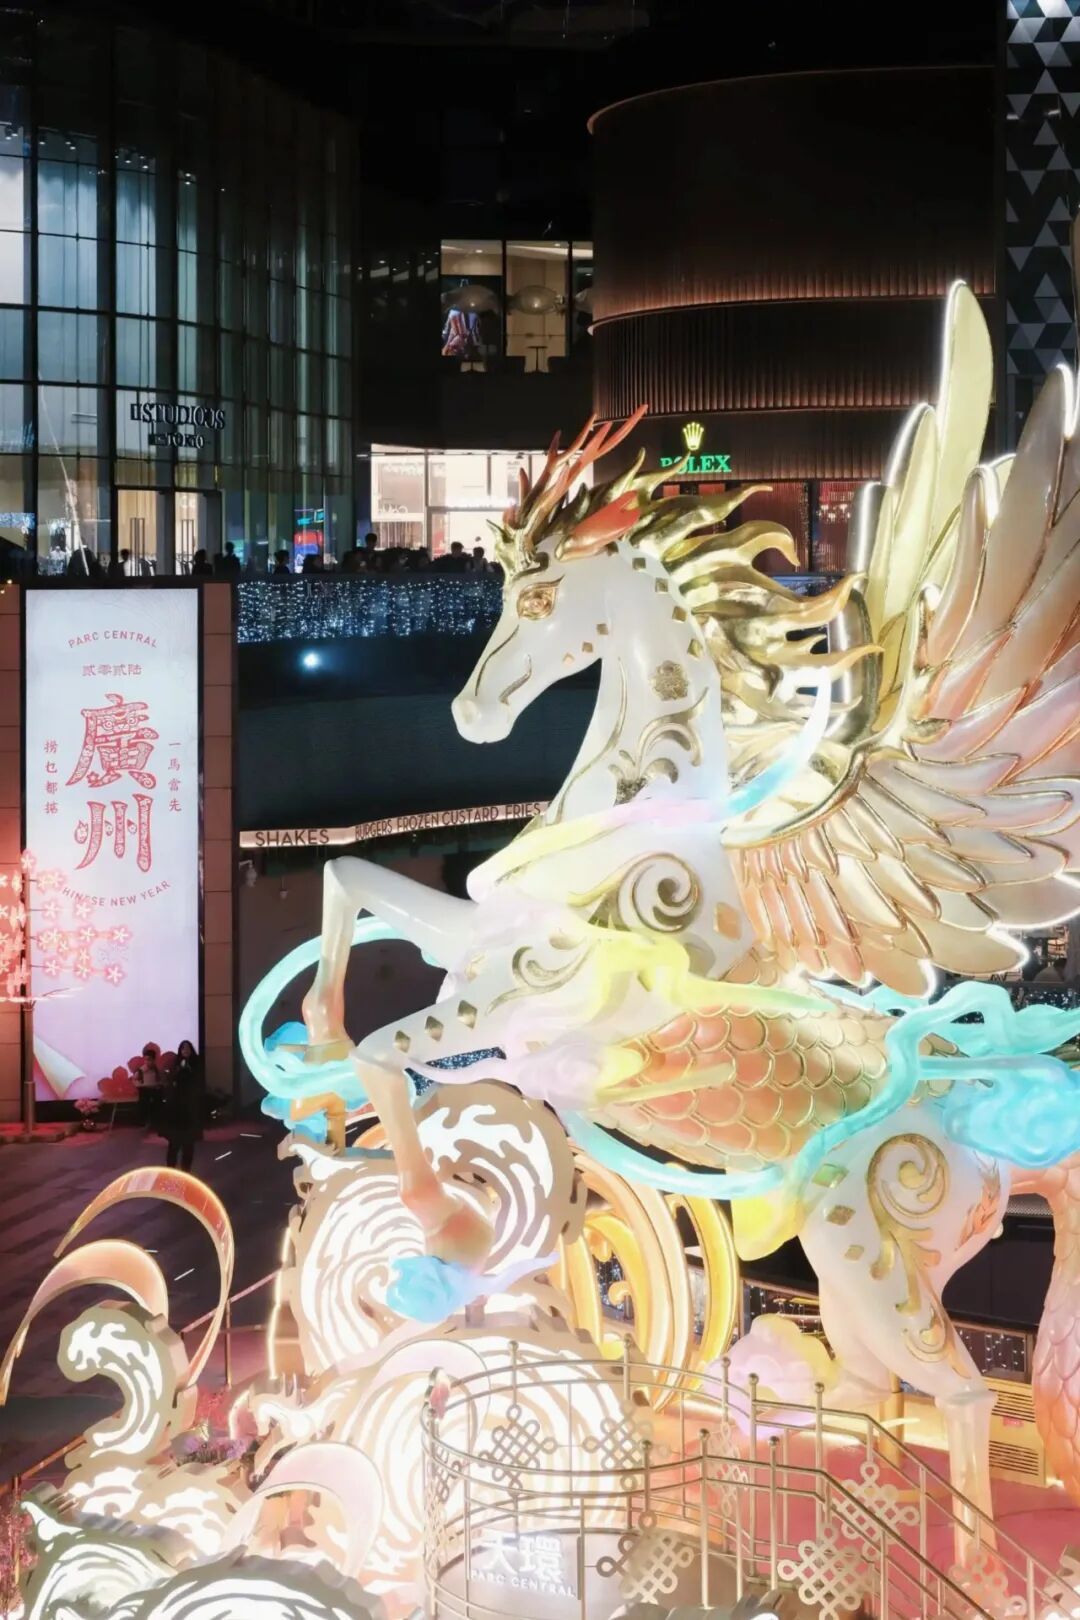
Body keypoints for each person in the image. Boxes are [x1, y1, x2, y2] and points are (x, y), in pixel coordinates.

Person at [160, 1039, 204, 1171]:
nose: (185, 1050)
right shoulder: (175, 1064)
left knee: (188, 1145)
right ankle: (171, 1171)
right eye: (183, 1048)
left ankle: (186, 1171)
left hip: (191, 1109)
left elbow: (199, 1083)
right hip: (176, 1110)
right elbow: (170, 1082)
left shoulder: (196, 1064)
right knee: (174, 1144)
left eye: (188, 1048)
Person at [136, 1043, 164, 1130]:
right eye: (146, 1060)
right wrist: (139, 1084)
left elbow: (160, 1080)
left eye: (150, 1060)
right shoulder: (142, 1069)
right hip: (144, 1090)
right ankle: (144, 1122)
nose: (147, 1062)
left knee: (157, 1103)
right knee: (144, 1103)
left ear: (154, 1060)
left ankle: (156, 1122)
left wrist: (159, 1084)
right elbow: (135, 1079)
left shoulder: (157, 1069)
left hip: (155, 1089)